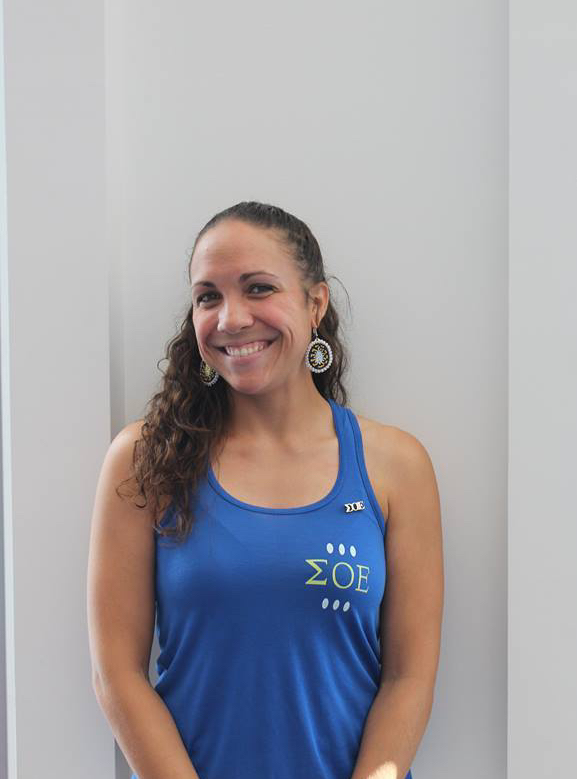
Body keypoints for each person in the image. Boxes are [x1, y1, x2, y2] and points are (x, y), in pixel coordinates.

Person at [87, 201, 444, 779]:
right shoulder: (145, 459)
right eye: (208, 297)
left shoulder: (397, 466)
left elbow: (409, 678)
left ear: (315, 303)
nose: (231, 318)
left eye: (258, 288)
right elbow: (117, 677)